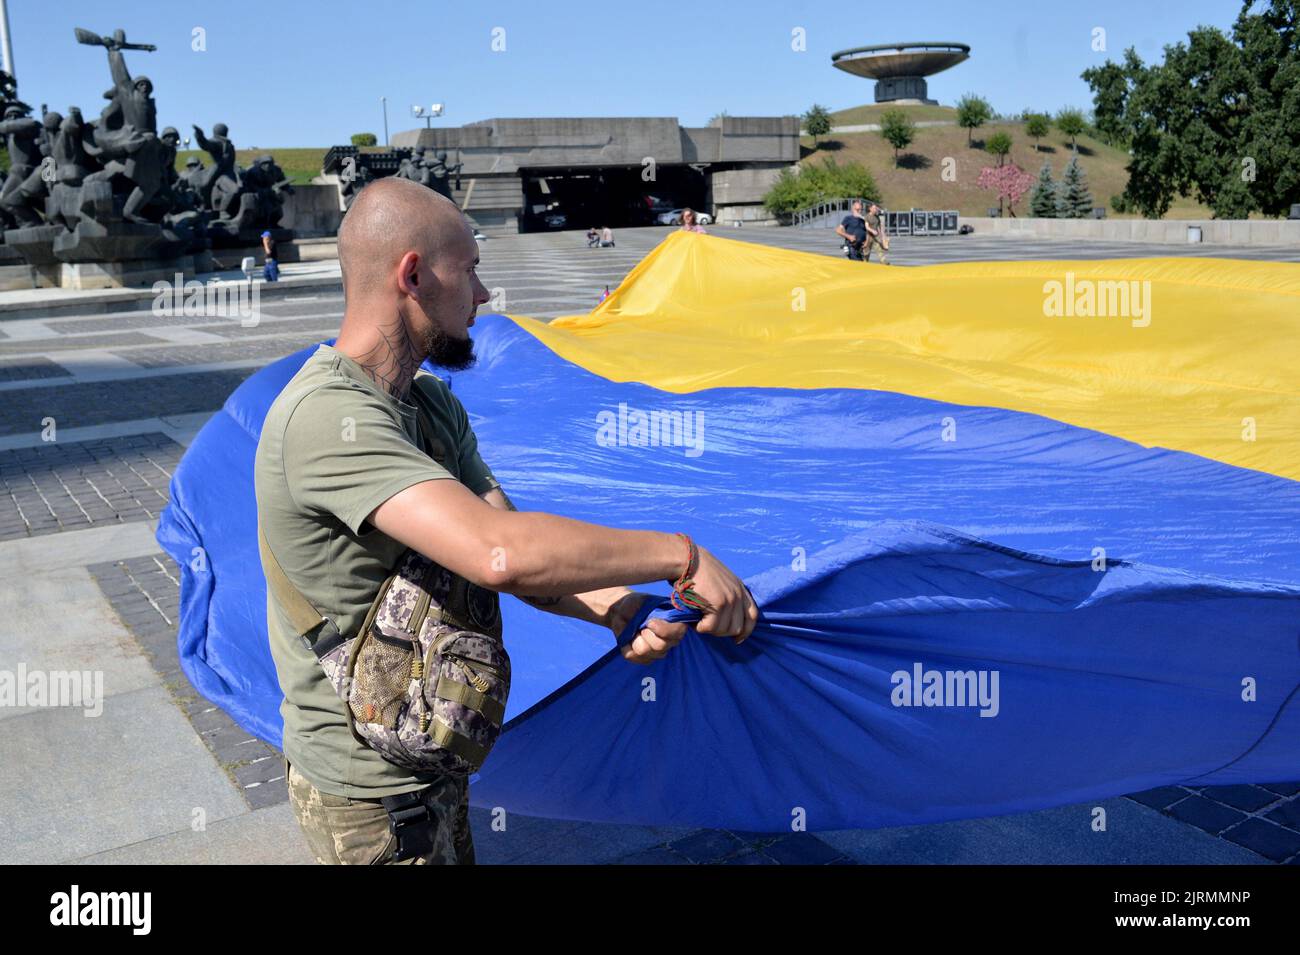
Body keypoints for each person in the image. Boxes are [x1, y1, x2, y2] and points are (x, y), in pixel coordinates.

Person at [254, 177, 757, 865]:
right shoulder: (325, 419)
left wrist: (620, 608)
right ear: (413, 274)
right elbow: (501, 554)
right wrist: (681, 556)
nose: (485, 297)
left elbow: (513, 553)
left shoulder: (429, 404)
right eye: (471, 272)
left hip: (436, 752)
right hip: (371, 798)